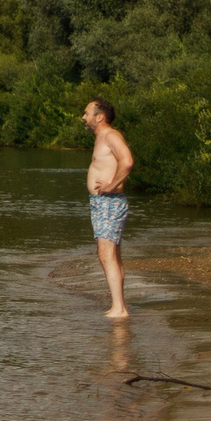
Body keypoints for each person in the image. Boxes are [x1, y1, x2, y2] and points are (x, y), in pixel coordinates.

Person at [84, 99, 134, 319]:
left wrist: (111, 185)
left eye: (87, 113)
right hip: (102, 203)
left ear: (100, 117)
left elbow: (127, 161)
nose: (84, 117)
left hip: (109, 202)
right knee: (111, 254)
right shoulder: (101, 138)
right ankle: (119, 306)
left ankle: (119, 309)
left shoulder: (111, 136)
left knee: (106, 254)